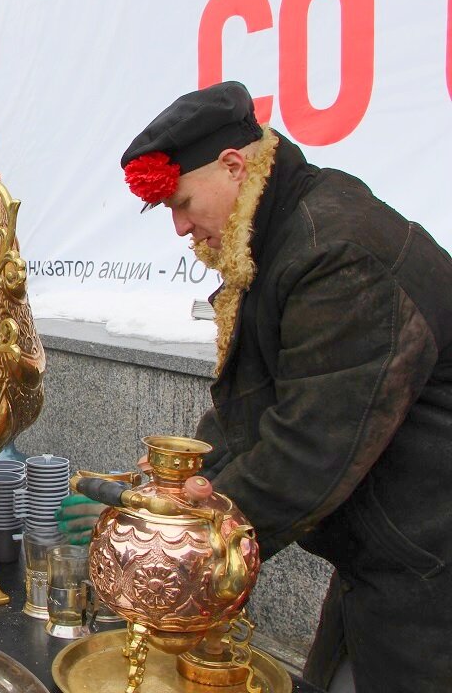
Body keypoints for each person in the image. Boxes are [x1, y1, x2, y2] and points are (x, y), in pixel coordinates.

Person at [61, 81, 452, 692]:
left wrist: (185, 536)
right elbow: (252, 404)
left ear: (234, 166)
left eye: (184, 203)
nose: (181, 227)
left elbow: (312, 448)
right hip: (387, 559)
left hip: (430, 564)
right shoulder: (278, 235)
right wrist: (183, 478)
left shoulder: (337, 251)